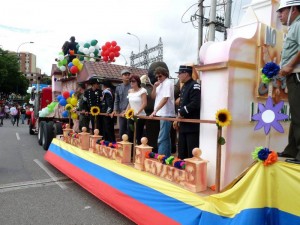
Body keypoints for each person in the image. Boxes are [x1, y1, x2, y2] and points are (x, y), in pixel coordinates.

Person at [276, 0, 300, 164]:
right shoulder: (294, 27)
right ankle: (292, 150)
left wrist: (290, 64)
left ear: (293, 10)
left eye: (282, 11)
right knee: (296, 116)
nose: (279, 15)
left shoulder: (299, 25)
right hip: (293, 77)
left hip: (297, 76)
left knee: (299, 116)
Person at [173, 65, 201, 159]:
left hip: (191, 125)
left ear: (186, 73)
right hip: (183, 125)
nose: (178, 76)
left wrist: (182, 112)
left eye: (180, 74)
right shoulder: (185, 86)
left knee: (191, 153)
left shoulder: (194, 85)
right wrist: (178, 118)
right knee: (182, 152)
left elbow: (195, 103)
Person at [149, 66, 175, 158]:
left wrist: (155, 110)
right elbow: (153, 97)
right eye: (157, 77)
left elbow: (165, 99)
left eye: (160, 76)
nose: (158, 78)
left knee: (162, 137)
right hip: (161, 113)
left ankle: (161, 157)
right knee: (165, 137)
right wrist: (154, 87)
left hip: (166, 113)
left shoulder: (168, 83)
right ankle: (166, 157)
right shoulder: (160, 84)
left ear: (165, 75)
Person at [111, 69, 132, 142]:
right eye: (125, 75)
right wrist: (115, 110)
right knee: (121, 132)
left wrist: (126, 110)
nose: (127, 76)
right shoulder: (118, 87)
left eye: (128, 74)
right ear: (122, 76)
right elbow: (116, 100)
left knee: (130, 131)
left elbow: (132, 100)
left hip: (130, 112)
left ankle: (130, 150)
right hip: (121, 113)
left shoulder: (132, 86)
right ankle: (123, 149)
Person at [126, 75, 148, 145]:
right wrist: (126, 111)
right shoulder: (130, 91)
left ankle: (138, 153)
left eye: (133, 81)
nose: (131, 83)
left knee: (138, 135)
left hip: (140, 116)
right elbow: (129, 103)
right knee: (130, 134)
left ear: (138, 82)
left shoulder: (143, 91)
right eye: (130, 81)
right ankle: (131, 153)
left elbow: (144, 103)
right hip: (131, 116)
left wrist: (138, 112)